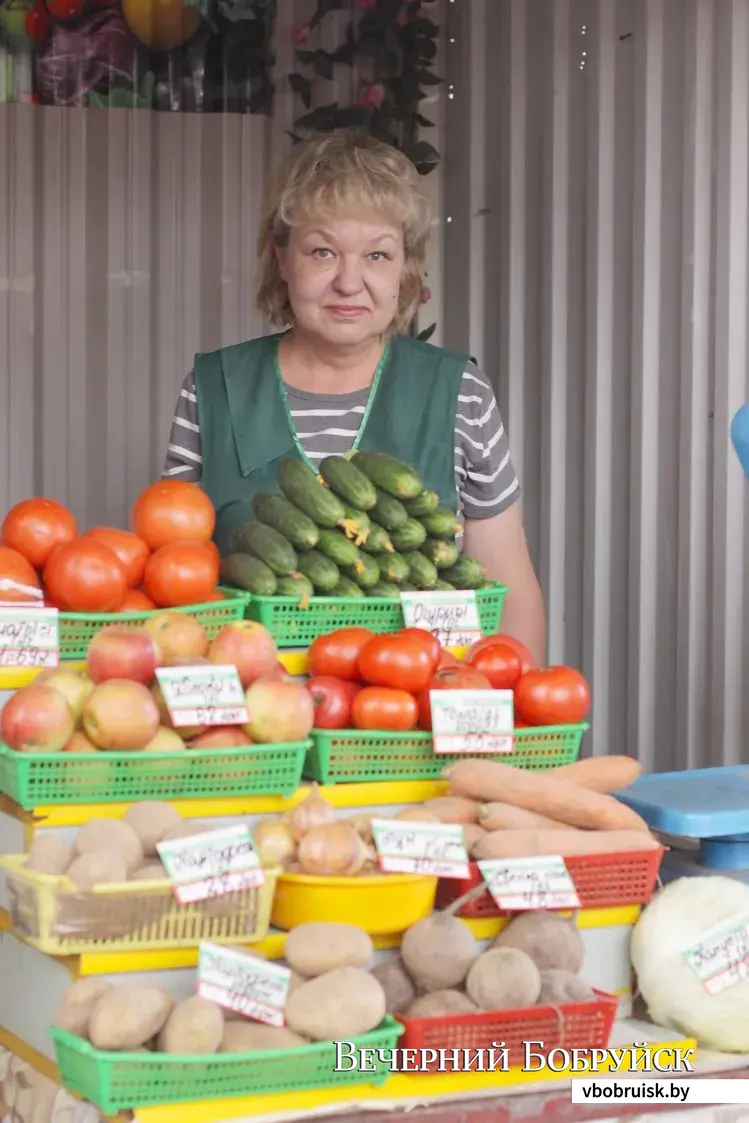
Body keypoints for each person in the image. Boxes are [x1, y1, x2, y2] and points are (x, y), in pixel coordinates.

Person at [162, 131, 546, 664]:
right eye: (322, 252)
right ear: (282, 258)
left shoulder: (459, 393)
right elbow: (172, 586)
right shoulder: (212, 391)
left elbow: (510, 592)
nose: (349, 281)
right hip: (256, 722)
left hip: (418, 713)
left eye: (377, 255)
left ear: (404, 268)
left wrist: (508, 722)